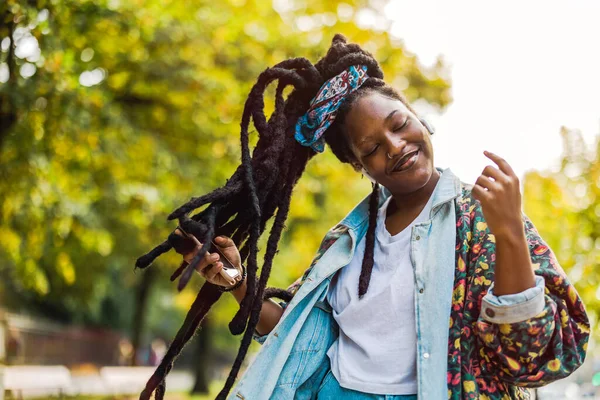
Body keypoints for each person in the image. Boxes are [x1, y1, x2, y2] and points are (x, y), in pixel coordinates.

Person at [138, 34, 589, 400]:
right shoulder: (347, 239)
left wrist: (509, 232)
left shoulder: (482, 218)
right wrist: (238, 284)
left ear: (419, 118)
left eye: (399, 123)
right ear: (360, 167)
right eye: (371, 149)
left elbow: (539, 359)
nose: (394, 146)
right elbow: (300, 339)